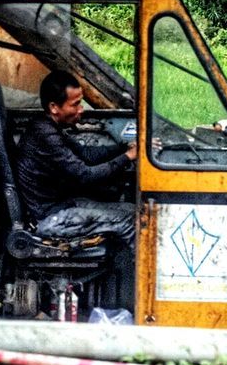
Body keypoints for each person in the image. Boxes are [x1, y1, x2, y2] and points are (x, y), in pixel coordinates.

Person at [14, 71, 136, 245]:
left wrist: (124, 147)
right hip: (49, 218)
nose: (81, 109)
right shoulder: (45, 134)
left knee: (133, 211)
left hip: (61, 206)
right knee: (130, 221)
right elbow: (85, 175)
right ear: (54, 107)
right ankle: (140, 272)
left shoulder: (48, 126)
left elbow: (86, 154)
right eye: (76, 104)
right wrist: (127, 157)